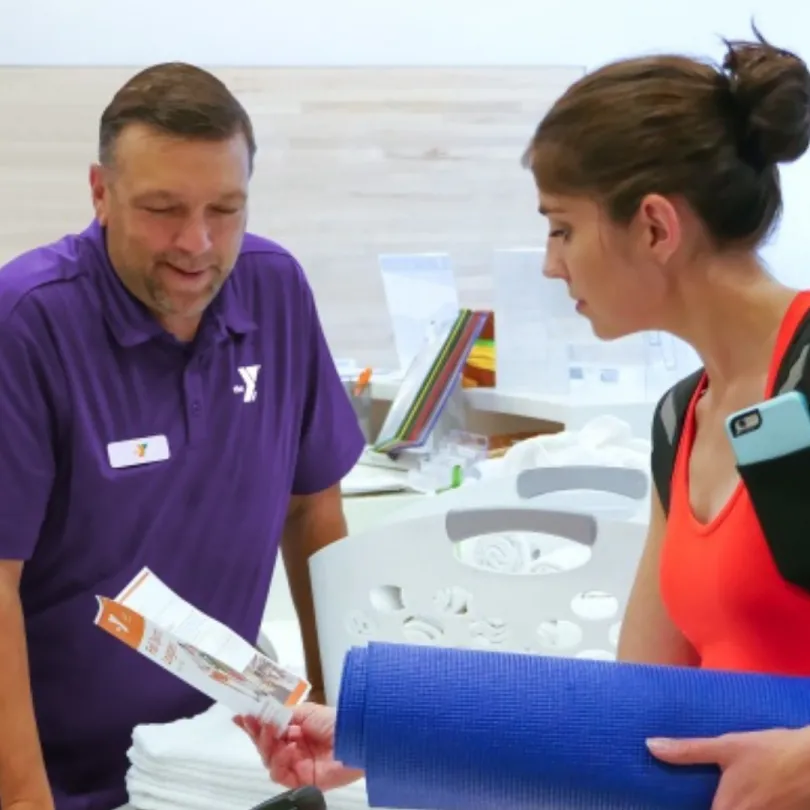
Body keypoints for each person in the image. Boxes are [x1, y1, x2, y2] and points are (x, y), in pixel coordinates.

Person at [241, 29, 810, 810]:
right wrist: (379, 734)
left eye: (562, 226)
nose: (551, 262)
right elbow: (630, 718)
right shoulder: (682, 421)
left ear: (653, 227)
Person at [0, 63, 365, 810]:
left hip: (215, 761)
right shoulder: (29, 322)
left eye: (225, 209)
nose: (197, 244)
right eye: (163, 209)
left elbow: (313, 510)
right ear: (100, 193)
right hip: (56, 774)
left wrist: (345, 720)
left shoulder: (275, 289)